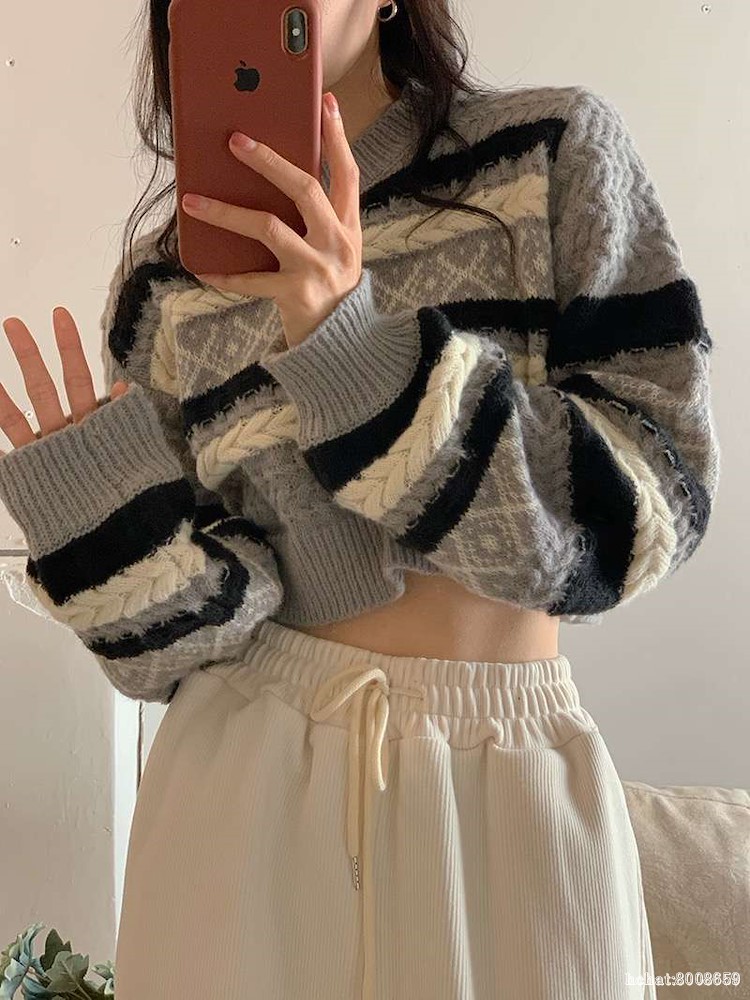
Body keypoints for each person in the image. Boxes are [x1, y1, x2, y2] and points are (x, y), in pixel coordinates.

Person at [0, 0, 720, 997]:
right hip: (240, 778)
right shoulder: (172, 284)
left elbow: (650, 504)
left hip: (505, 769)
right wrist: (100, 535)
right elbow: (182, 651)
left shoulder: (548, 155)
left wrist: (358, 352)